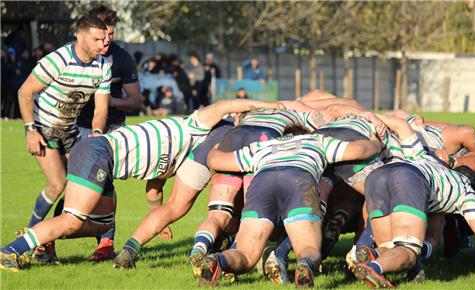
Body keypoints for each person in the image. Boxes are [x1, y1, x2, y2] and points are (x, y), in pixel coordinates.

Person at [0, 99, 284, 272]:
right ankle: (11, 251)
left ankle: (41, 237)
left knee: (99, 226)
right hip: (100, 153)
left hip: (102, 160)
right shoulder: (195, 126)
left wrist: (160, 218)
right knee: (72, 221)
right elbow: (223, 105)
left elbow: (153, 189)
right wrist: (270, 106)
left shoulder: (182, 156)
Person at [199, 124, 381, 287]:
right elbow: (359, 150)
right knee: (308, 249)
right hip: (298, 180)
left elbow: (215, 161)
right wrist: (375, 143)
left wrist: (214, 150)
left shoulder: (263, 146)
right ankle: (305, 264)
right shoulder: (317, 140)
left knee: (245, 255)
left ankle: (218, 259)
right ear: (304, 133)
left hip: (262, 184)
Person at [350, 114, 475, 287]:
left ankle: (370, 253)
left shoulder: (425, 155)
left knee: (391, 245)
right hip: (409, 180)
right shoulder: (465, 191)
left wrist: (364, 115)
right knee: (408, 251)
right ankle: (374, 267)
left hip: (377, 176)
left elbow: (401, 125)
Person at [15, 14, 111, 265]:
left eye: (106, 38)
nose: (104, 44)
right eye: (98, 39)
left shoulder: (103, 65)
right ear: (79, 37)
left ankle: (43, 243)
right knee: (58, 184)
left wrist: (97, 134)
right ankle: (30, 239)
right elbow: (24, 91)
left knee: (78, 187)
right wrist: (30, 129)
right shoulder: (58, 60)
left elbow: (101, 109)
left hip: (70, 131)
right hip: (44, 127)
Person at [73, 4, 142, 262]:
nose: (106, 41)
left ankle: (106, 241)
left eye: (111, 35)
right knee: (73, 183)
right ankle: (47, 240)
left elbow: (135, 102)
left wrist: (108, 101)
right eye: (101, 35)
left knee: (105, 183)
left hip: (111, 129)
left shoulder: (121, 58)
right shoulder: (71, 56)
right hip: (76, 125)